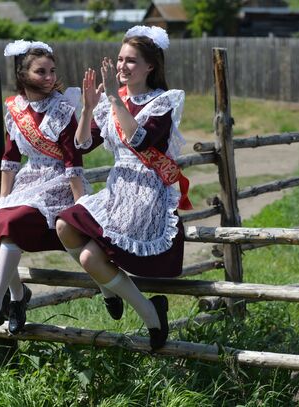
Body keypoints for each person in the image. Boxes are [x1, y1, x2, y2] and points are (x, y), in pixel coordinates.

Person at [56, 25, 192, 350]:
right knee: (64, 225)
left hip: (147, 194)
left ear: (150, 66)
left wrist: (115, 99)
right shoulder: (110, 102)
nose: (121, 67)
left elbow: (140, 140)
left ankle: (151, 314)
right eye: (120, 59)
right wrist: (89, 106)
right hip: (117, 189)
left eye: (131, 61)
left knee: (90, 259)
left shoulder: (162, 102)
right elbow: (83, 145)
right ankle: (111, 291)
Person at [0, 40, 90, 339]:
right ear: (22, 74)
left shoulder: (62, 108)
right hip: (28, 181)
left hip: (57, 182)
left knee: (8, 226)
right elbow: (10, 158)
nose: (48, 77)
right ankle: (19, 296)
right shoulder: (14, 108)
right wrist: (4, 200)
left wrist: (80, 204)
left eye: (52, 71)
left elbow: (73, 161)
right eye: (40, 71)